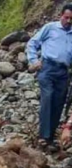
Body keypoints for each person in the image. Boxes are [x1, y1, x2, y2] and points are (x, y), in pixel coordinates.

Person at [27, 4, 72, 147]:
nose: (69, 21)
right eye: (67, 18)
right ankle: (43, 136)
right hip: (48, 68)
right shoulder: (50, 28)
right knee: (48, 97)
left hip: (64, 71)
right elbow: (33, 42)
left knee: (59, 102)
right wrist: (34, 60)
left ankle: (50, 138)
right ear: (61, 16)